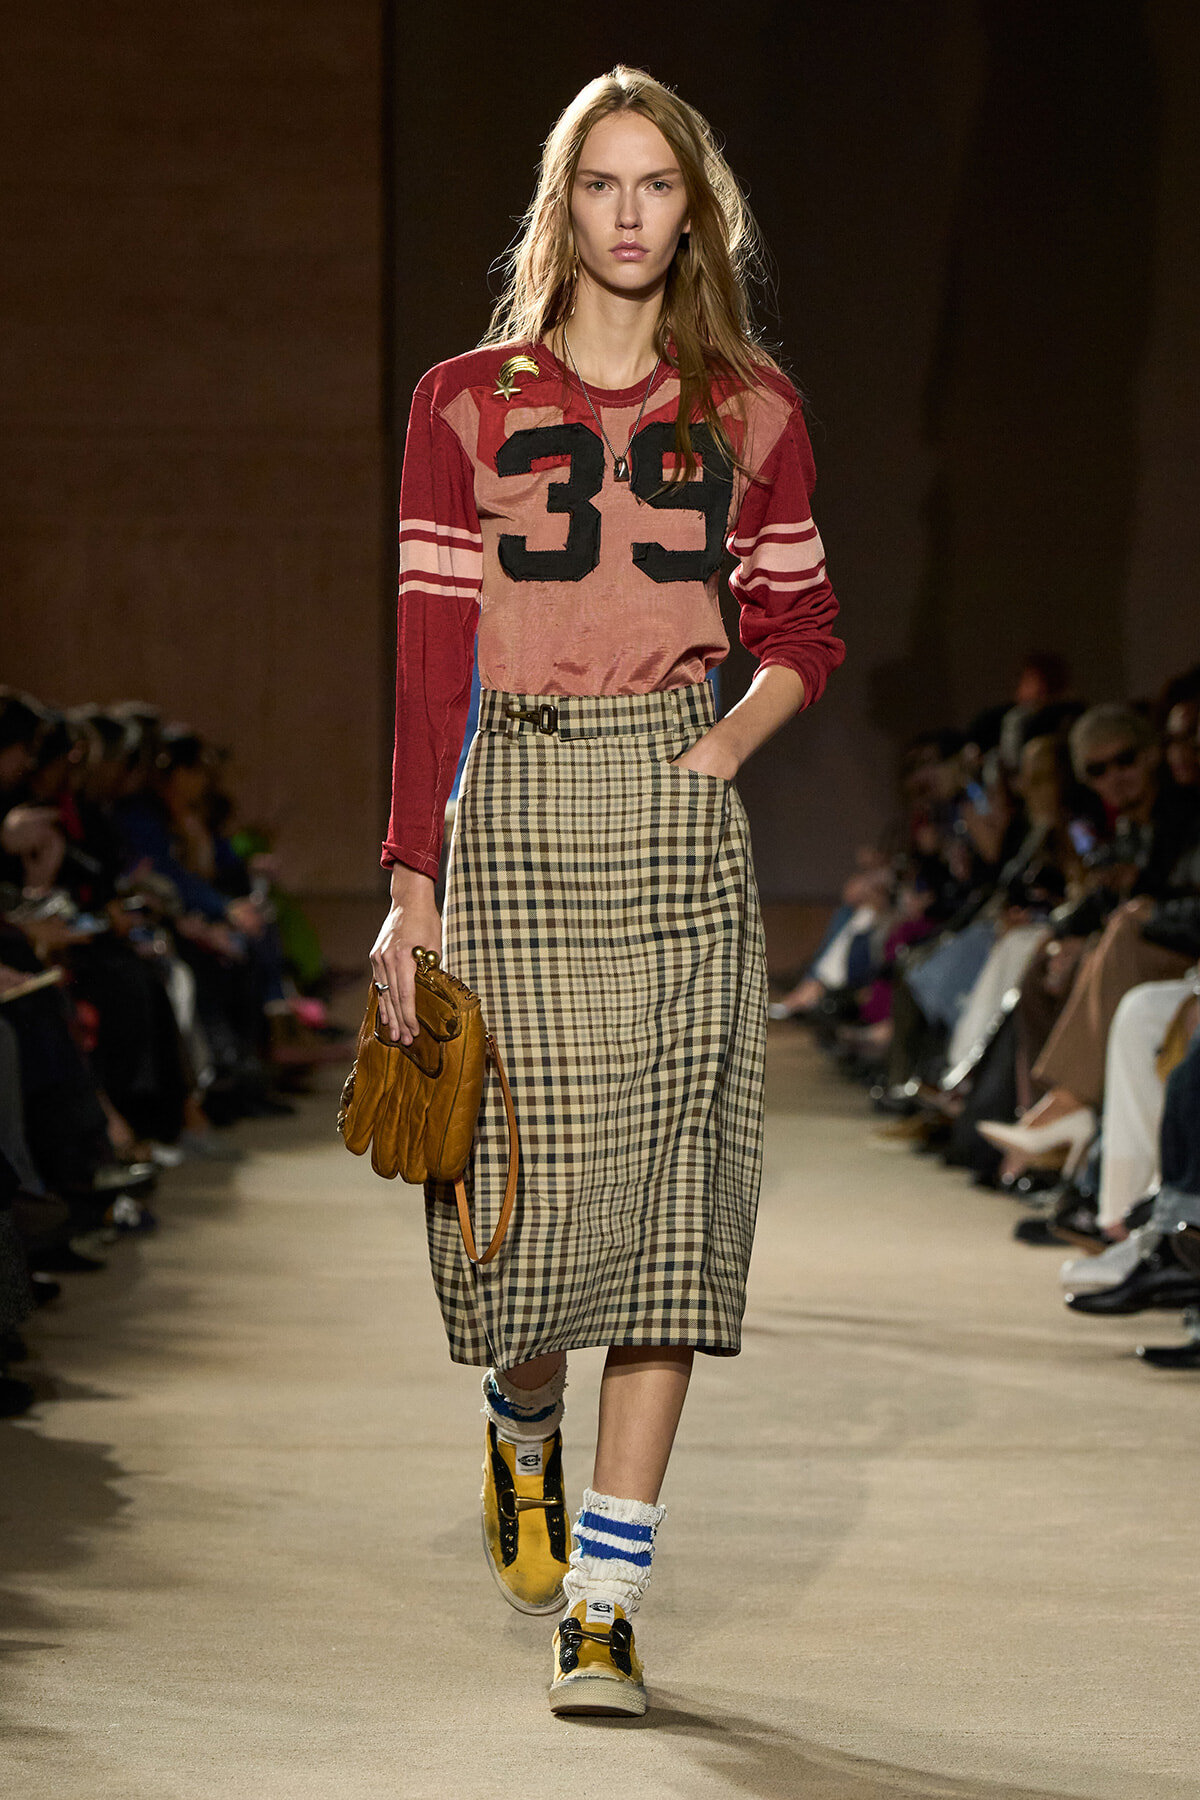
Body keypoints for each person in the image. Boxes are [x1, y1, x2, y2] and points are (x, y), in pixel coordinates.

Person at [369, 66, 843, 1718]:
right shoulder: (462, 403)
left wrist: (714, 756)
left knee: (669, 1224)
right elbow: (434, 652)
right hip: (515, 816)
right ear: (560, 208)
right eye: (600, 184)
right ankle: (521, 1422)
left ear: (692, 213)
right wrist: (409, 876)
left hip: (674, 814)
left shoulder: (753, 411)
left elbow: (803, 632)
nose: (629, 214)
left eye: (658, 186)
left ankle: (608, 1596)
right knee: (523, 1216)